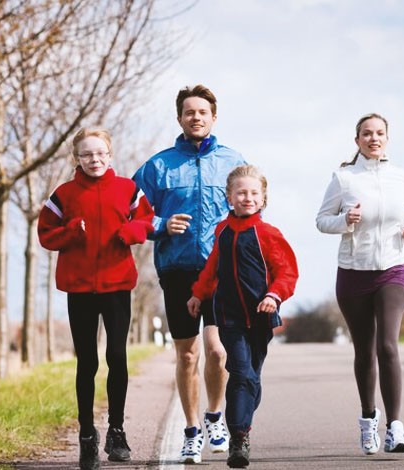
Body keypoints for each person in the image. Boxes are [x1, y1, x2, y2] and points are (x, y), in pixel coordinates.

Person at [133, 84, 245, 464]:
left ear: (214, 117)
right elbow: (131, 215)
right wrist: (161, 224)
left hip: (221, 269)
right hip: (177, 269)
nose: (195, 117)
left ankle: (216, 417)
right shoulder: (158, 166)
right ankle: (192, 429)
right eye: (189, 112)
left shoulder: (233, 161)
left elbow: (251, 205)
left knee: (217, 351)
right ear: (179, 117)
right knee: (187, 356)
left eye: (202, 112)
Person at [38, 127, 154, 470]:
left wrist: (131, 232)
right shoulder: (63, 194)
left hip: (117, 285)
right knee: (86, 362)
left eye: (100, 153)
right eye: (87, 155)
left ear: (110, 154)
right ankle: (86, 435)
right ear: (77, 158)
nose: (94, 160)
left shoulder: (127, 189)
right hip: (80, 288)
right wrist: (71, 231)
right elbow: (46, 234)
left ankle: (116, 432)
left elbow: (145, 218)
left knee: (117, 355)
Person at [315, 113, 404, 456]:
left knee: (387, 346)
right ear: (357, 140)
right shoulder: (344, 179)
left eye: (380, 133)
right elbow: (321, 221)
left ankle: (396, 428)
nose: (374, 139)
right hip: (354, 272)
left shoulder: (401, 177)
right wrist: (345, 220)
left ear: (387, 138)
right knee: (364, 351)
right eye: (367, 134)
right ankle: (367, 419)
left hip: (393, 268)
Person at [187, 164, 299, 468]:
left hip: (261, 318)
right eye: (241, 193)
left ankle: (241, 422)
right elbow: (213, 267)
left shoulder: (268, 234)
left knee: (252, 379)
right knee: (241, 374)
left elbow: (287, 272)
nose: (247, 198)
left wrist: (273, 296)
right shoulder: (222, 230)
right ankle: (239, 437)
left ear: (263, 199)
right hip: (229, 316)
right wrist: (199, 292)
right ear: (229, 197)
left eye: (253, 193)